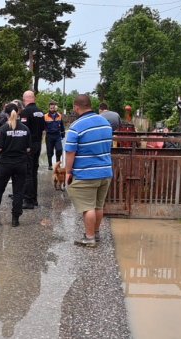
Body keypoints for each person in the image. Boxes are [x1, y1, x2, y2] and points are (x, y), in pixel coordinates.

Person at [64, 94, 113, 247]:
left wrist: (68, 172)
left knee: (88, 208)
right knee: (99, 206)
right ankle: (96, 233)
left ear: (76, 107)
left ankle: (89, 238)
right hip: (105, 172)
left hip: (86, 173)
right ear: (90, 105)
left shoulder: (76, 126)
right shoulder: (105, 122)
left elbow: (70, 152)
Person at [0, 103, 31, 227]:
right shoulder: (25, 129)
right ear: (18, 112)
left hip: (5, 164)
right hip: (21, 164)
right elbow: (28, 149)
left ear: (6, 114)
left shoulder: (3, 128)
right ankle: (15, 219)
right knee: (18, 192)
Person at [20, 90, 45, 209]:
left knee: (28, 172)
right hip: (38, 143)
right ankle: (34, 198)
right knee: (34, 171)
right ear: (33, 98)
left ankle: (28, 200)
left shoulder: (25, 112)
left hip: (28, 145)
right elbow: (43, 128)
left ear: (25, 99)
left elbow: (23, 130)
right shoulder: (40, 112)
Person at [44, 100, 65, 170]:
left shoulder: (59, 116)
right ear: (49, 108)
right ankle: (50, 165)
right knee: (50, 151)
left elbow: (62, 126)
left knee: (59, 150)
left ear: (55, 108)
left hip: (57, 136)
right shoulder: (45, 116)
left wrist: (63, 134)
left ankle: (57, 164)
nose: (52, 109)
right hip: (49, 136)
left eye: (53, 108)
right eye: (51, 108)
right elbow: (42, 126)